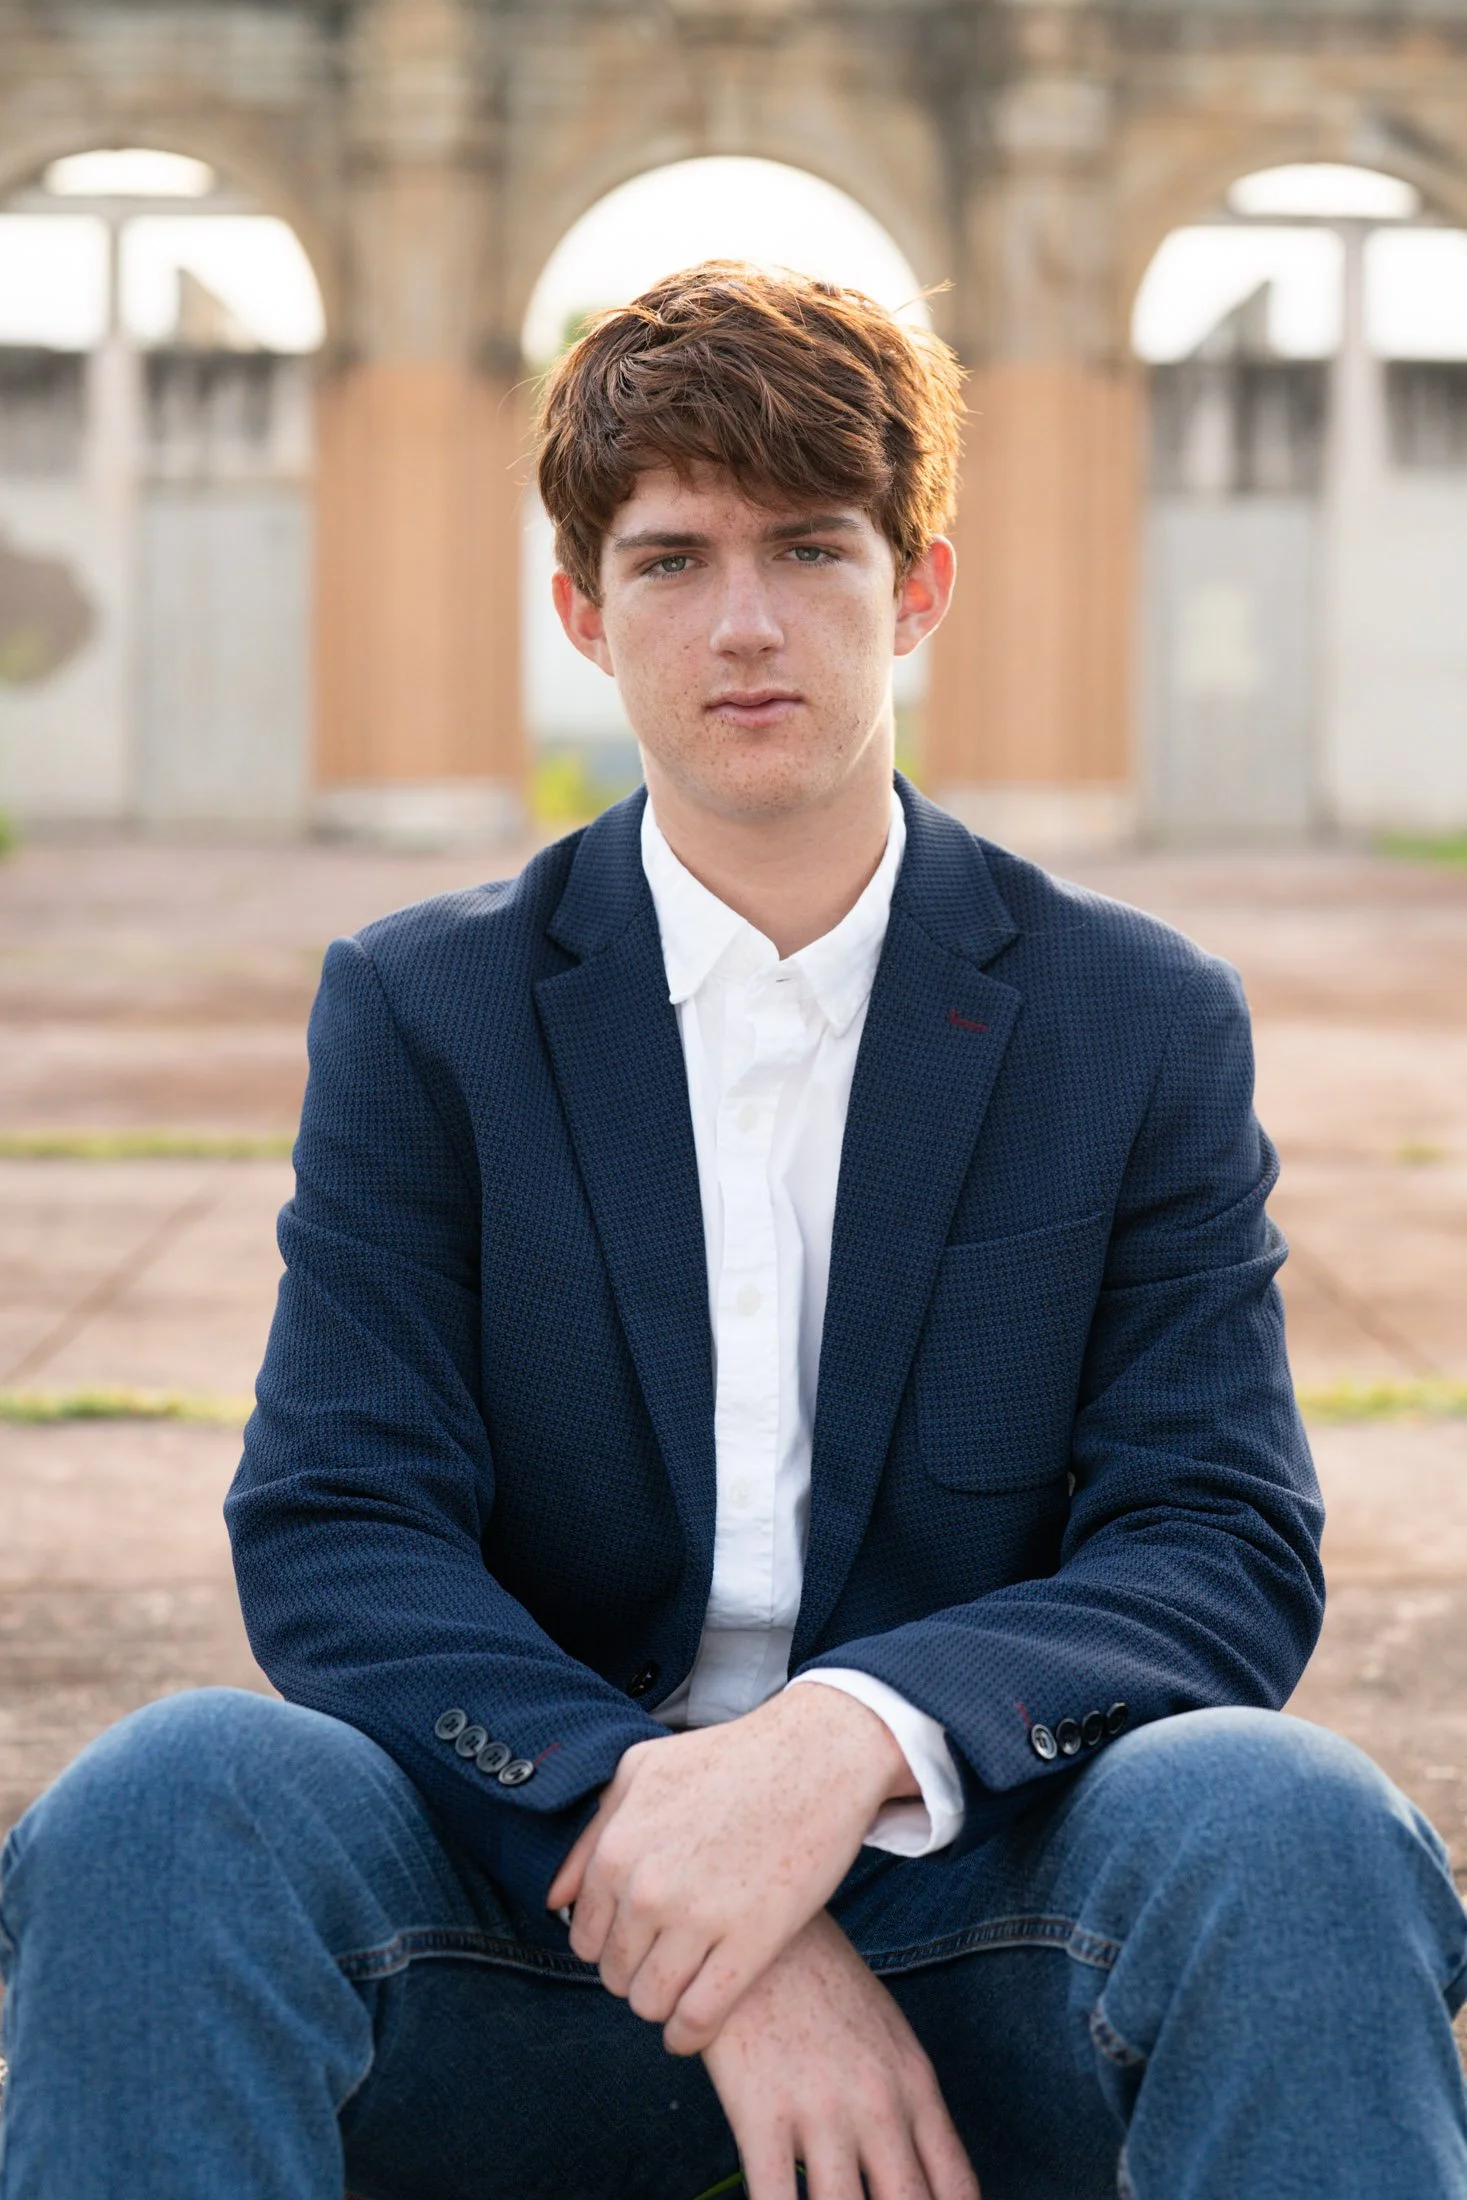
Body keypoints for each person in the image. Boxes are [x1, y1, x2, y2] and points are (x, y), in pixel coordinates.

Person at [1, 262, 1464, 2200]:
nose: (748, 622)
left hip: (991, 1913)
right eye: (675, 559)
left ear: (917, 586)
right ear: (582, 612)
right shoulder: (421, 1010)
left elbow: (1216, 1537)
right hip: (523, 1925)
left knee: (1289, 1823)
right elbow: (340, 1523)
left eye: (810, 548)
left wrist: (839, 1746)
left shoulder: (1135, 1016)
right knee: (161, 1806)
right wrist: (679, 1862)